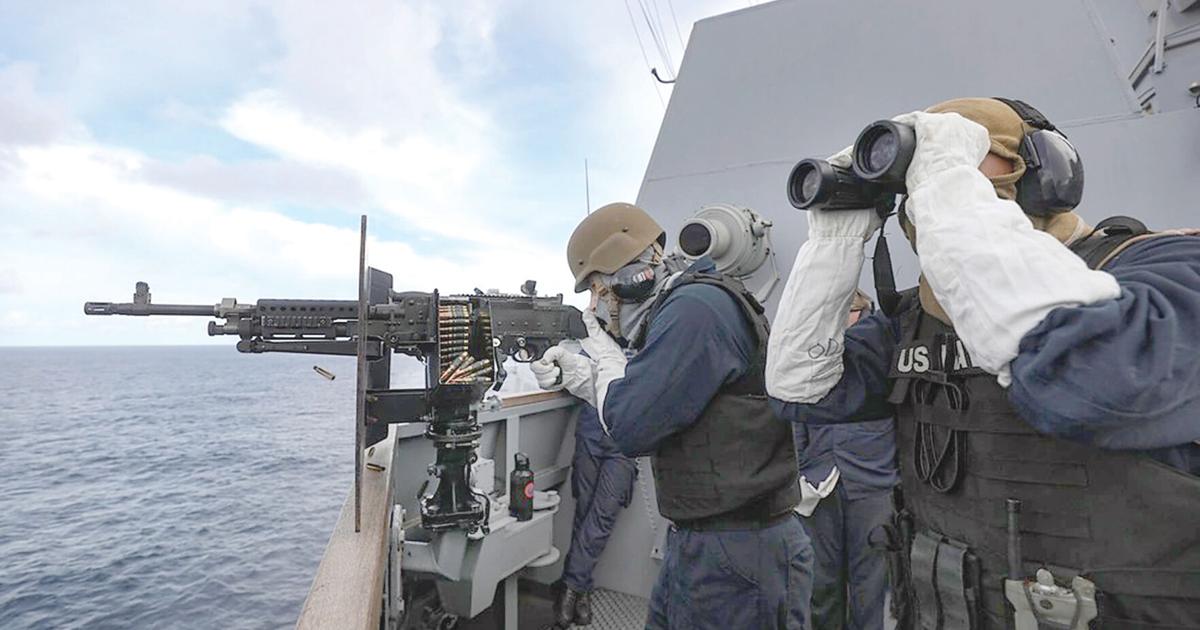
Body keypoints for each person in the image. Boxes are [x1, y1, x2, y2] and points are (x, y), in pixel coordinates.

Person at [766, 98, 1200, 628]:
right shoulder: (915, 320)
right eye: (921, 174)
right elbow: (802, 391)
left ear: (1049, 173)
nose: (928, 183)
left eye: (960, 159)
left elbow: (1088, 379)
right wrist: (833, 240)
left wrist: (949, 181)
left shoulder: (1165, 269)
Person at [534, 202, 812, 630]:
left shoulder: (694, 311)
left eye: (596, 289)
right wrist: (583, 371)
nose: (594, 306)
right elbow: (647, 393)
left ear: (629, 278)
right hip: (705, 542)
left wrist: (598, 360)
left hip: (737, 554)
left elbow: (630, 425)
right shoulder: (687, 308)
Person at [794, 290, 897, 630]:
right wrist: (803, 471)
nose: (841, 320)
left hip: (873, 486)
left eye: (848, 311)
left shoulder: (884, 348)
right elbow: (797, 415)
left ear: (862, 311)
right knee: (821, 584)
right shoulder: (813, 354)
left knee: (872, 587)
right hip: (819, 486)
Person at [529, 352, 639, 627]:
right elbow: (573, 374)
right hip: (591, 430)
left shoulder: (650, 338)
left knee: (602, 517)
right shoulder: (594, 341)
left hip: (624, 441)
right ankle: (581, 590)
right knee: (585, 512)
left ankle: (569, 587)